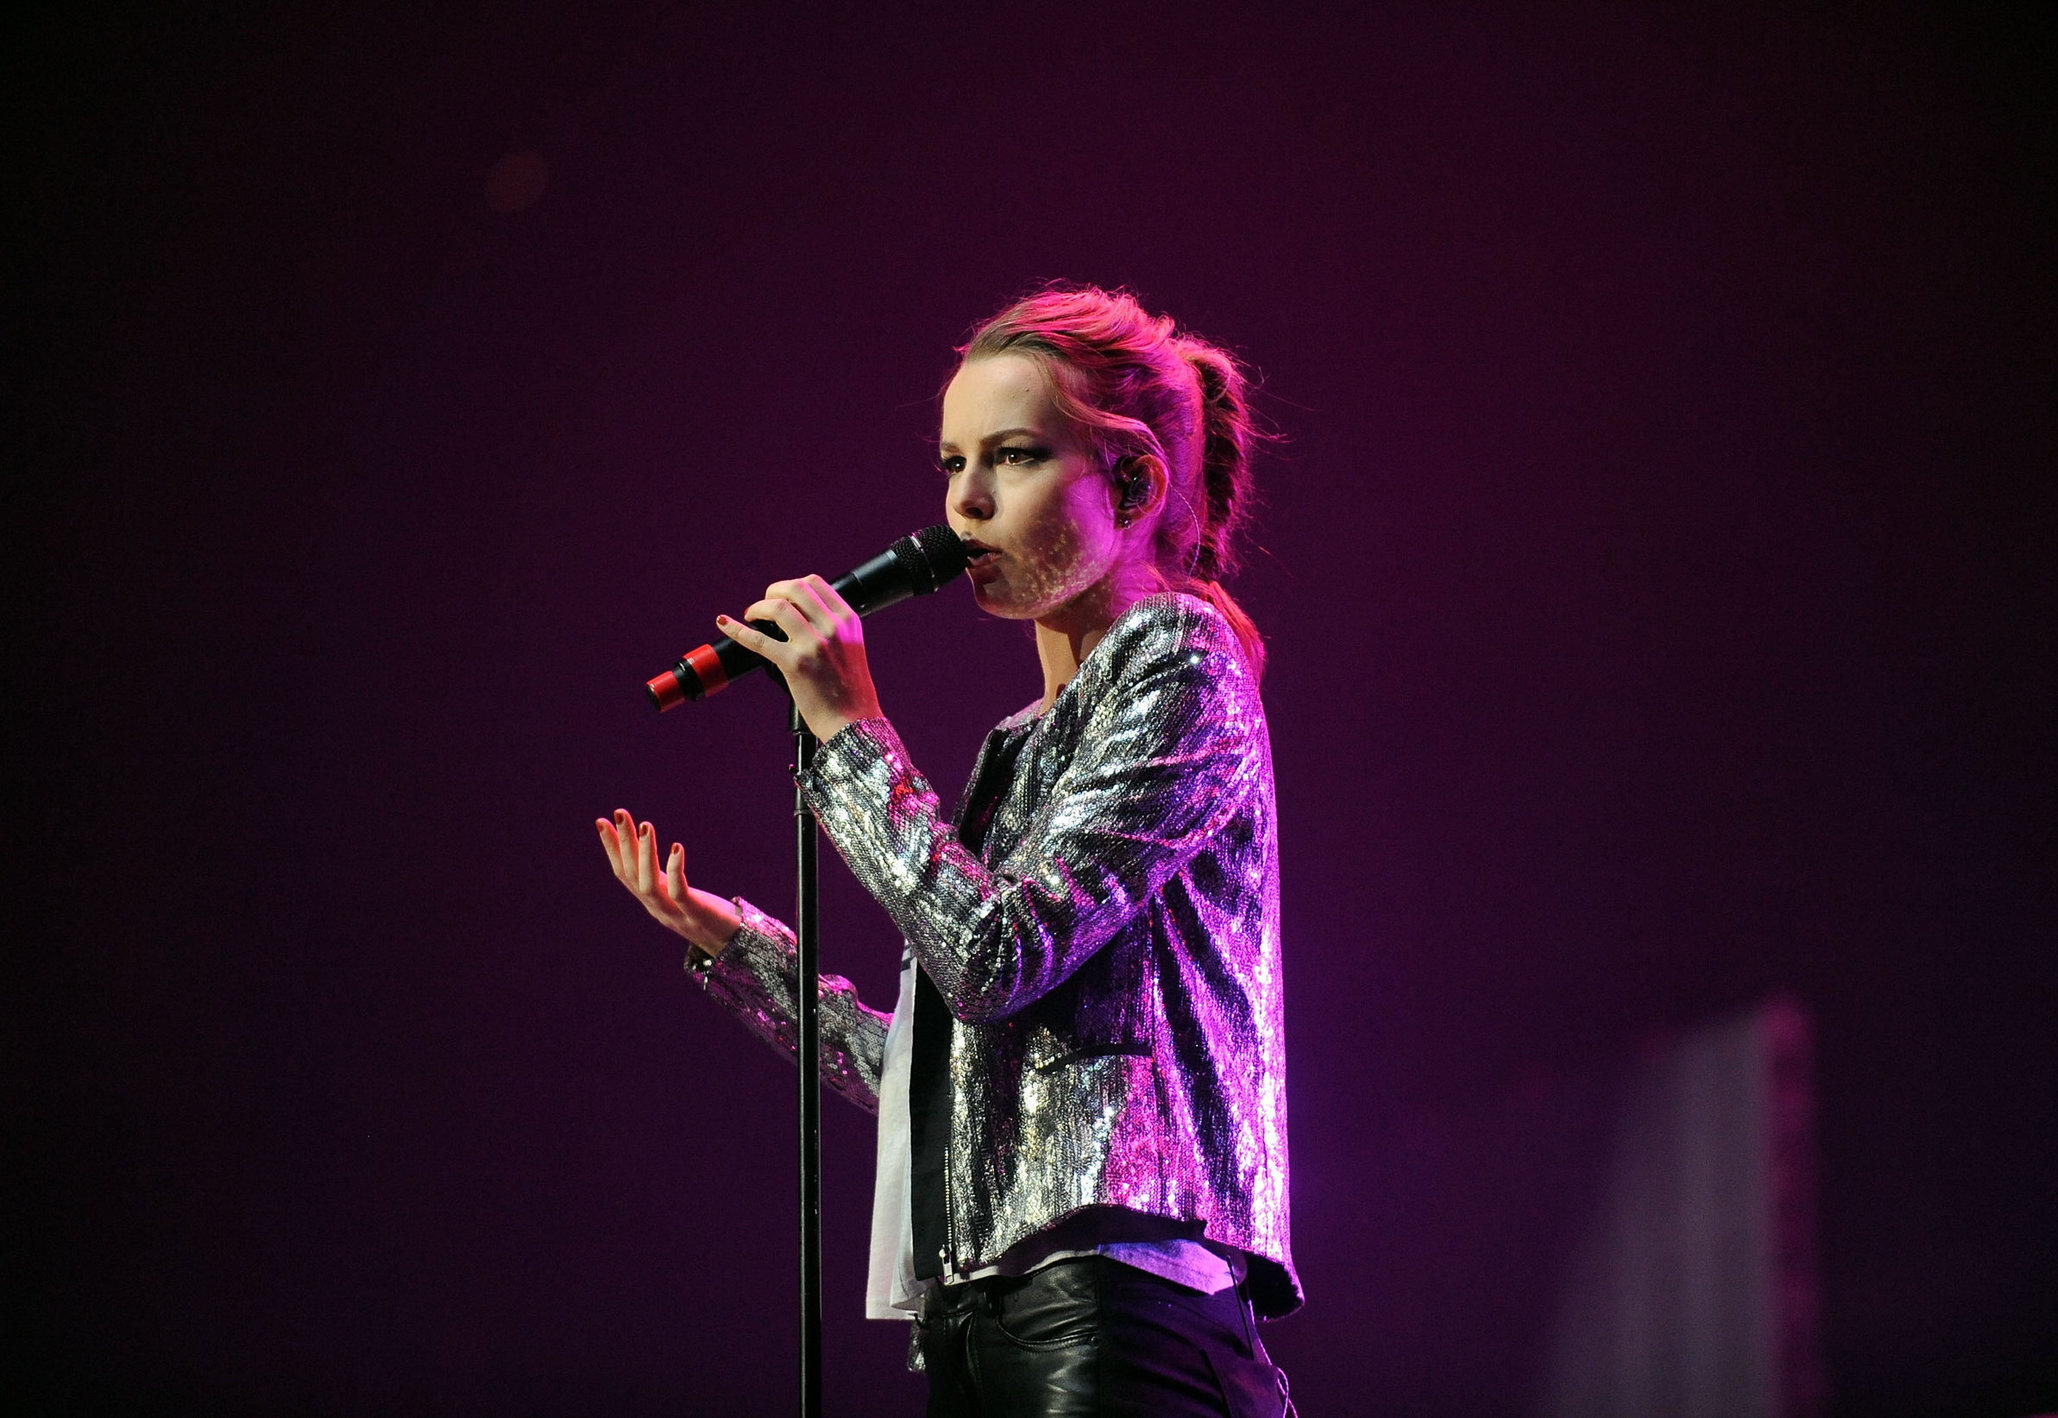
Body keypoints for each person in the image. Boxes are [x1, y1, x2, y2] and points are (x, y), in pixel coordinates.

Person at [597, 285, 1299, 1416]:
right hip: (992, 1321)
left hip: (1113, 1310)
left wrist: (848, 728)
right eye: (951, 462)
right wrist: (742, 950)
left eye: (1012, 457)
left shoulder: (1182, 658)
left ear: (1132, 484)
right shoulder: (1021, 740)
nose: (964, 501)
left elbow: (994, 958)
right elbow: (951, 1082)